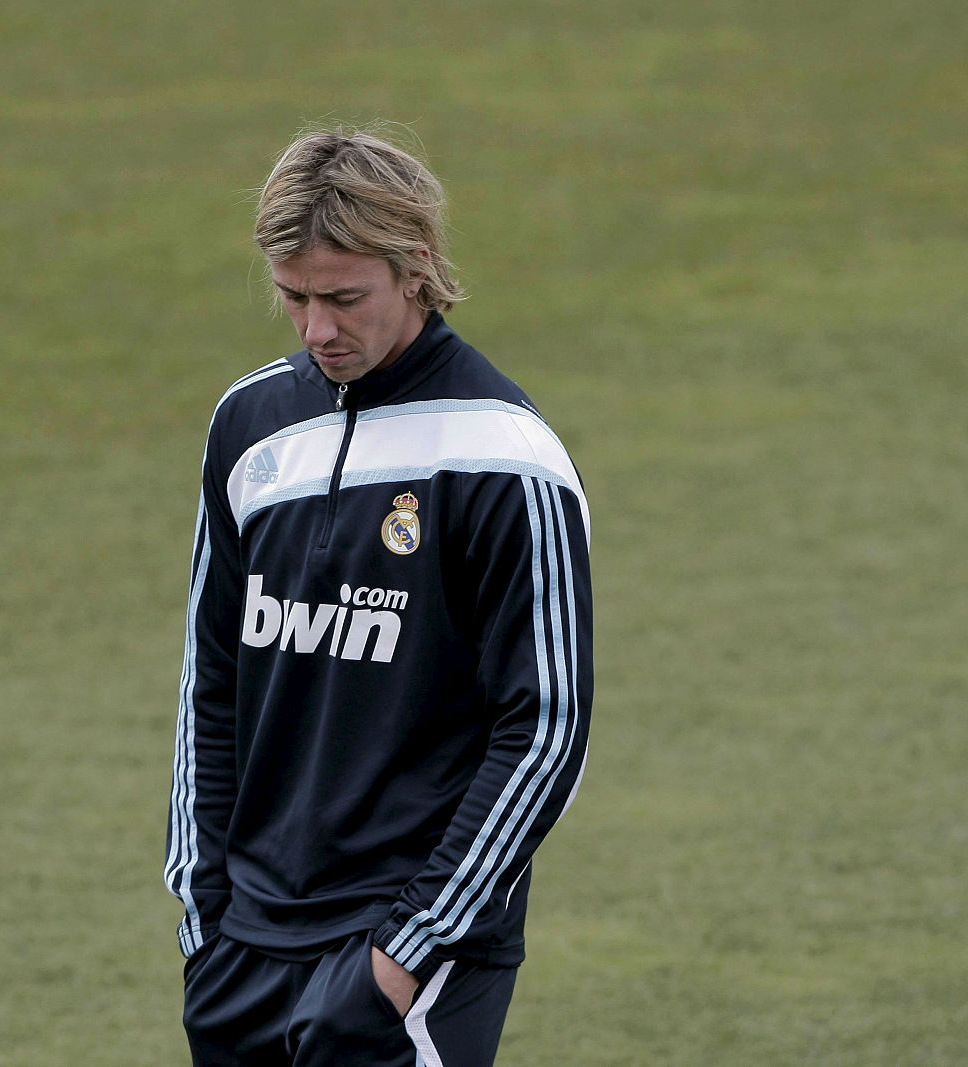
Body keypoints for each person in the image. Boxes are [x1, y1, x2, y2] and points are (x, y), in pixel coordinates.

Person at [164, 127, 592, 1066]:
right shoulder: (249, 428)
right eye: (294, 297)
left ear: (417, 268)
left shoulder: (503, 457)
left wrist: (402, 955)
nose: (318, 330)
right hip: (247, 946)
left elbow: (548, 730)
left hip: (401, 954)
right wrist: (205, 921)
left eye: (344, 298)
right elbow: (213, 683)